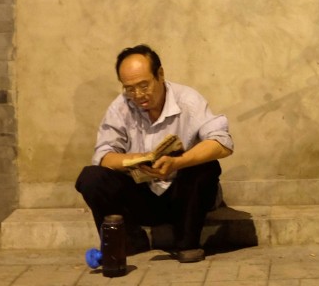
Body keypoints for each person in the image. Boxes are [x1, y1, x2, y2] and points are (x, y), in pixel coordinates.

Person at [75, 44, 234, 263]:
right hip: (143, 195)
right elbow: (104, 156)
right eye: (129, 88)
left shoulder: (188, 100)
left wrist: (178, 162)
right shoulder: (120, 107)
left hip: (183, 195)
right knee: (91, 177)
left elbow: (222, 143)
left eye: (143, 85)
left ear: (160, 74)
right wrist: (139, 159)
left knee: (206, 167)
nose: (138, 95)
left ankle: (187, 242)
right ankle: (129, 240)